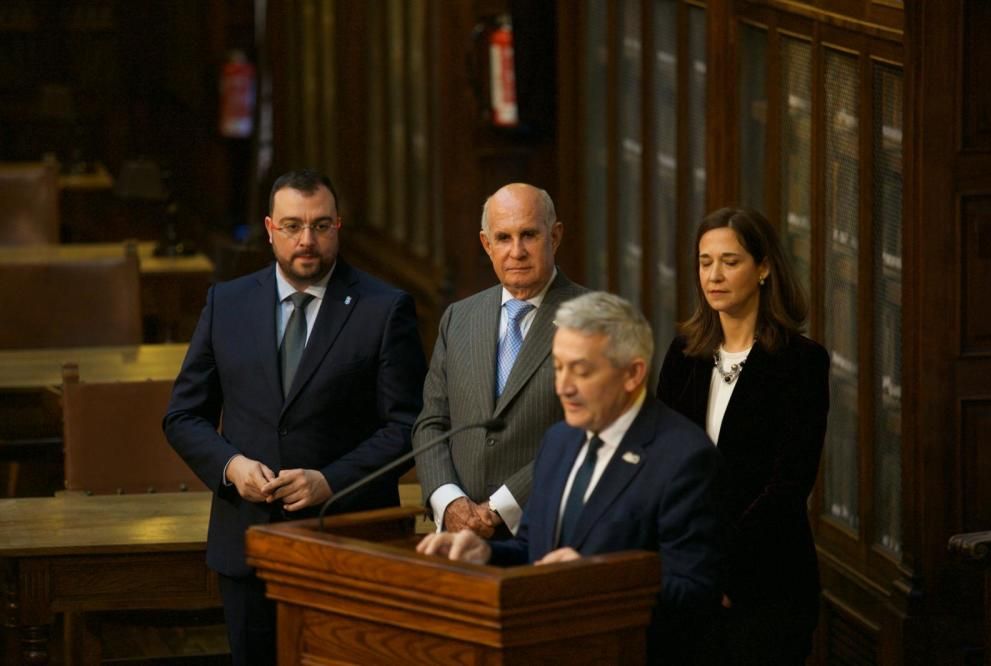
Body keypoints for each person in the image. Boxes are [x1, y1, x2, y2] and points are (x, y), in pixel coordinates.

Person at [163, 169, 426, 666]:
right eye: (292, 226)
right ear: (268, 228)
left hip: (348, 541)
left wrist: (332, 480)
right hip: (248, 543)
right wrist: (231, 466)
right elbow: (183, 416)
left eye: (321, 225)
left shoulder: (384, 309)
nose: (307, 240)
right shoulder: (226, 302)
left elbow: (408, 428)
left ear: (338, 226)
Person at [417, 292, 723, 663]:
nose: (563, 386)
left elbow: (695, 592)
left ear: (633, 373)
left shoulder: (683, 457)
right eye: (559, 368)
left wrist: (594, 579)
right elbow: (534, 552)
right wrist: (484, 554)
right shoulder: (559, 440)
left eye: (581, 370)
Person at [656, 206, 830, 665]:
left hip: (766, 582)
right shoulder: (683, 352)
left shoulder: (801, 363)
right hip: (686, 581)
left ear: (764, 268)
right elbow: (660, 464)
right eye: (704, 261)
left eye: (730, 261)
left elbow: (788, 485)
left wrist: (721, 568)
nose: (714, 275)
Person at [413, 183, 587, 538]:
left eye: (529, 235)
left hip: (547, 533)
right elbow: (430, 423)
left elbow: (587, 432)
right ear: (486, 244)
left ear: (554, 237)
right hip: (456, 533)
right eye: (503, 238)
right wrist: (450, 503)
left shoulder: (592, 319)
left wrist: (500, 507)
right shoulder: (459, 318)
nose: (517, 251)